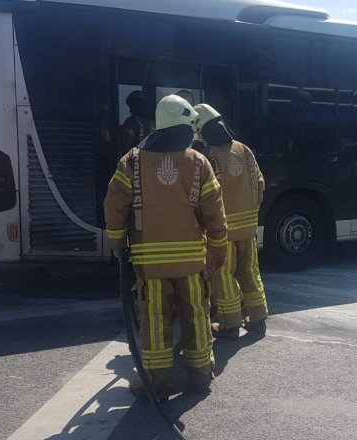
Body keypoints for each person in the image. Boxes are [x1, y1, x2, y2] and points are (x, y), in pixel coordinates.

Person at [104, 95, 228, 400]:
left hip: (152, 266)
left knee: (155, 321)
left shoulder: (131, 161)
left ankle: (158, 382)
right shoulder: (197, 162)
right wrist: (218, 248)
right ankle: (200, 375)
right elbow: (215, 211)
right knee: (197, 316)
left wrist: (118, 244)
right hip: (191, 264)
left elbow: (114, 208)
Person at [193, 104, 268, 339]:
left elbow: (206, 194)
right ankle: (258, 316)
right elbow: (260, 183)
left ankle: (229, 322)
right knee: (249, 270)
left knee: (223, 274)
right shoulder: (244, 149)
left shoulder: (209, 155)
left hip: (223, 229)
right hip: (248, 226)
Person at [120, 90, 154, 154]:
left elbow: (125, 146)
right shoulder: (153, 124)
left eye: (132, 106)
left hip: (136, 160)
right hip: (152, 160)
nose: (130, 110)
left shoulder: (131, 122)